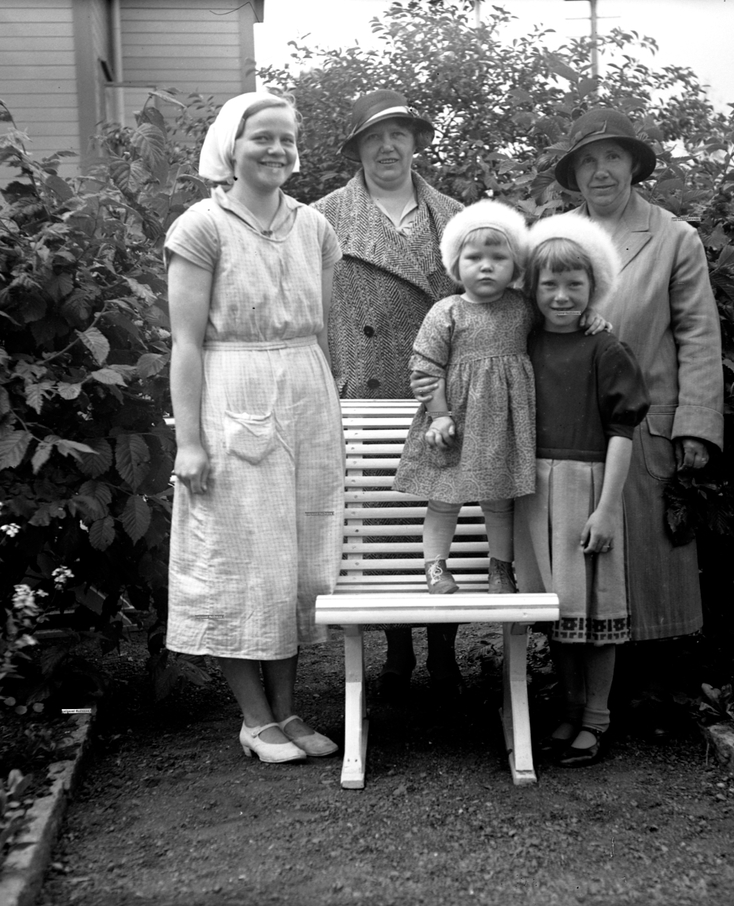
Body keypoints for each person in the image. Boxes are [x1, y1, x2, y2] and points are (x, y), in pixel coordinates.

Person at [164, 92, 342, 764]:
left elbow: (321, 325)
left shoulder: (315, 227)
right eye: (261, 137)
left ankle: (288, 711)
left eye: (286, 139)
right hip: (231, 389)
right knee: (242, 559)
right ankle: (254, 719)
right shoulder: (201, 227)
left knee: (295, 560)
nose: (276, 149)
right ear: (230, 147)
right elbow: (186, 343)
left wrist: (322, 396)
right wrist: (189, 441)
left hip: (306, 391)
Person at [551, 107, 724, 735]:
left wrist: (695, 423)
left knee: (641, 567)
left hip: (644, 426)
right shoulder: (554, 235)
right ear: (574, 173)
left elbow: (698, 333)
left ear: (633, 166)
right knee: (575, 562)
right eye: (587, 161)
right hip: (567, 431)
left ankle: (639, 697)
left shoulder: (673, 237)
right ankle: (579, 699)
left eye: (613, 157)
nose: (601, 171)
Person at [312, 89, 464, 698]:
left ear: (415, 142)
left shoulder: (456, 217)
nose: (387, 147)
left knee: (446, 513)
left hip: (442, 395)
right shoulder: (322, 218)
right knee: (384, 525)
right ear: (357, 149)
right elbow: (313, 313)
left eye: (397, 134)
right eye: (373, 137)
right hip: (366, 394)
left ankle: (445, 648)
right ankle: (397, 647)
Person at [513, 214, 649, 767]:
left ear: (595, 286)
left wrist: (607, 509)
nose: (562, 296)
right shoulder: (523, 342)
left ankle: (596, 717)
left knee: (595, 612)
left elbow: (621, 432)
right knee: (560, 611)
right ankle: (568, 710)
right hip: (535, 491)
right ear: (532, 288)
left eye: (575, 284)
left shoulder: (605, 349)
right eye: (549, 284)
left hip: (588, 489)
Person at [393, 200, 536, 604]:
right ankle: (435, 567)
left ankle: (501, 569)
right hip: (456, 421)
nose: (486, 266)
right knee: (444, 497)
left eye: (498, 258)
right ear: (456, 265)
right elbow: (425, 368)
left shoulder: (524, 308)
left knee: (500, 500)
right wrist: (439, 416)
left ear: (515, 266)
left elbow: (562, 327)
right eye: (474, 258)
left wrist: (589, 318)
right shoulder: (447, 311)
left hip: (504, 424)